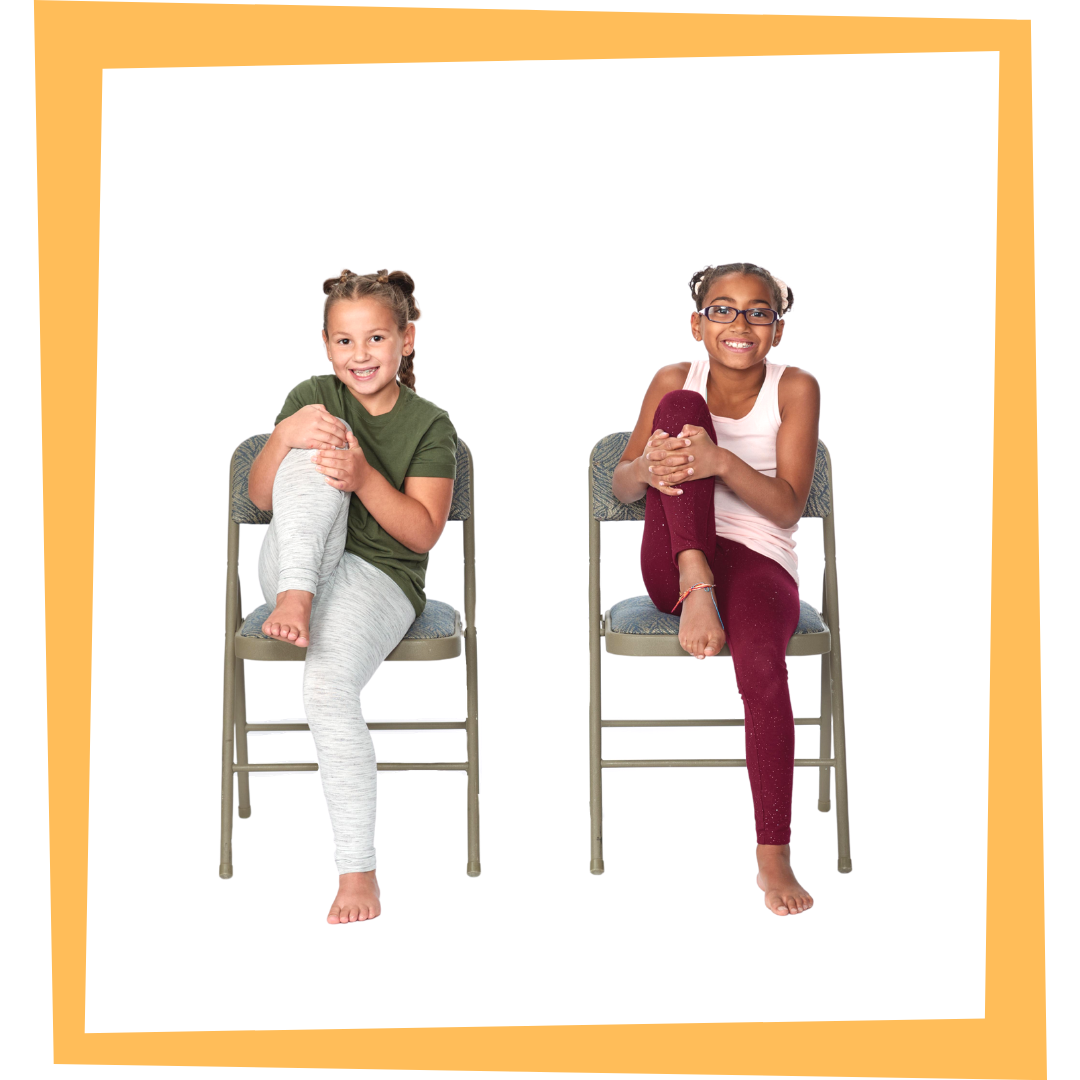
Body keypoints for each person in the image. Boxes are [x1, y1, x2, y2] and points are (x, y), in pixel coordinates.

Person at [247, 269, 457, 925]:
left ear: (407, 340)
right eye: (344, 340)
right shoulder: (312, 396)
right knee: (315, 450)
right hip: (294, 567)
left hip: (380, 577)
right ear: (325, 343)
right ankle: (298, 599)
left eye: (374, 339)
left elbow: (422, 532)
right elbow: (260, 499)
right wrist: (285, 436)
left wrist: (364, 476)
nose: (359, 355)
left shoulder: (430, 425)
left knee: (324, 688)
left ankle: (357, 871)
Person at [610, 262, 820, 916]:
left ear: (777, 329)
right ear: (698, 324)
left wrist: (722, 460)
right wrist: (644, 465)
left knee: (763, 662)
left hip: (760, 556)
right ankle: (697, 581)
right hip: (674, 556)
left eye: (757, 312)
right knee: (680, 408)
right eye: (723, 310)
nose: (740, 323)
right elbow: (620, 485)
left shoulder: (797, 388)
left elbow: (786, 508)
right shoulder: (676, 380)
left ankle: (772, 854)